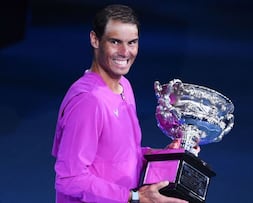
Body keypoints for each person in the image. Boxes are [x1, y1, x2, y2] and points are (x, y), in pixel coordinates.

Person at [51, 4, 189, 203]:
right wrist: (134, 197)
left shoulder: (124, 85)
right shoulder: (89, 101)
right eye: (115, 42)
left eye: (132, 43)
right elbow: (70, 178)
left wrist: (162, 157)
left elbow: (119, 156)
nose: (125, 52)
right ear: (95, 39)